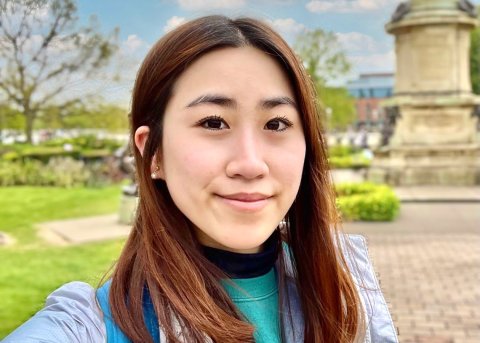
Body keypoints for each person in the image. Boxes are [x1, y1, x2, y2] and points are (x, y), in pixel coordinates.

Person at [3, 16, 398, 343]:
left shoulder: (347, 285)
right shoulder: (93, 326)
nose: (250, 163)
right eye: (213, 122)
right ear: (152, 152)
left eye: (276, 123)